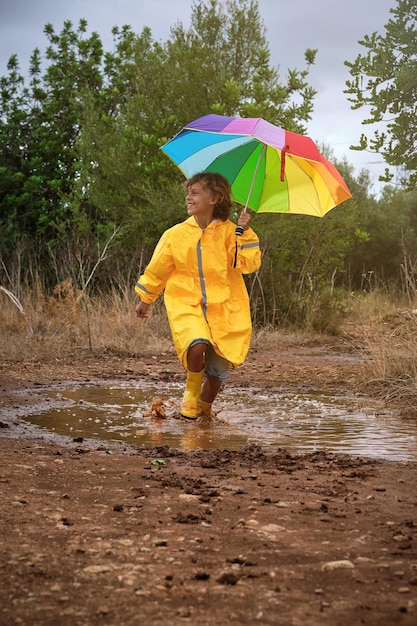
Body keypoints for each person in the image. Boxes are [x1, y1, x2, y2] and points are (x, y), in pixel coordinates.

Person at [135, 171, 261, 419]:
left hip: (226, 309)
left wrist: (243, 232)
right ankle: (190, 395)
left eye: (195, 193)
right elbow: (157, 270)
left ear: (214, 198)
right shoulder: (175, 235)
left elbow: (247, 265)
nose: (188, 197)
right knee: (196, 344)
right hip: (186, 303)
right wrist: (145, 300)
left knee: (215, 377)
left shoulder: (231, 232)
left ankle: (201, 415)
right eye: (188, 192)